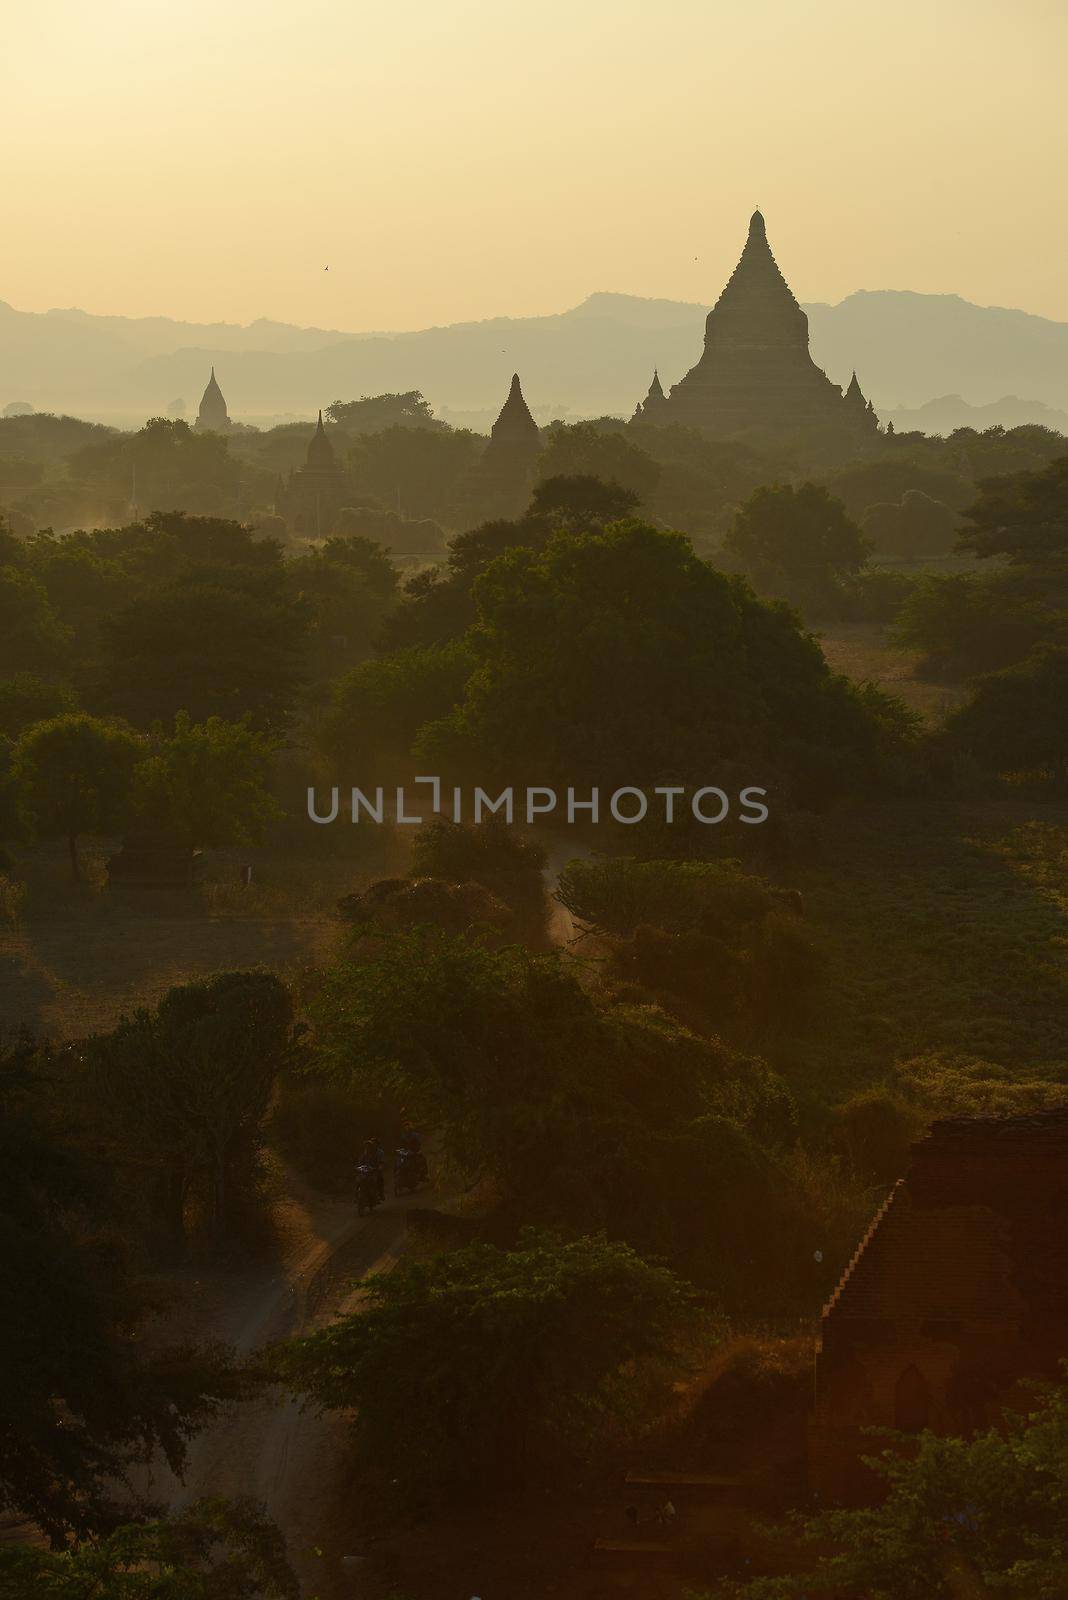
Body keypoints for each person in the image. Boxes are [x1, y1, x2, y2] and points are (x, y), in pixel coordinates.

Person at [361, 1136, 386, 1201]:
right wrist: (358, 1166)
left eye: (374, 1143)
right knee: (360, 1179)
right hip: (367, 1169)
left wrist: (380, 1167)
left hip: (375, 1169)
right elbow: (361, 1160)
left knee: (380, 1179)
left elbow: (382, 1161)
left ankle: (381, 1193)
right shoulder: (366, 1152)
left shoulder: (380, 1152)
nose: (373, 1144)